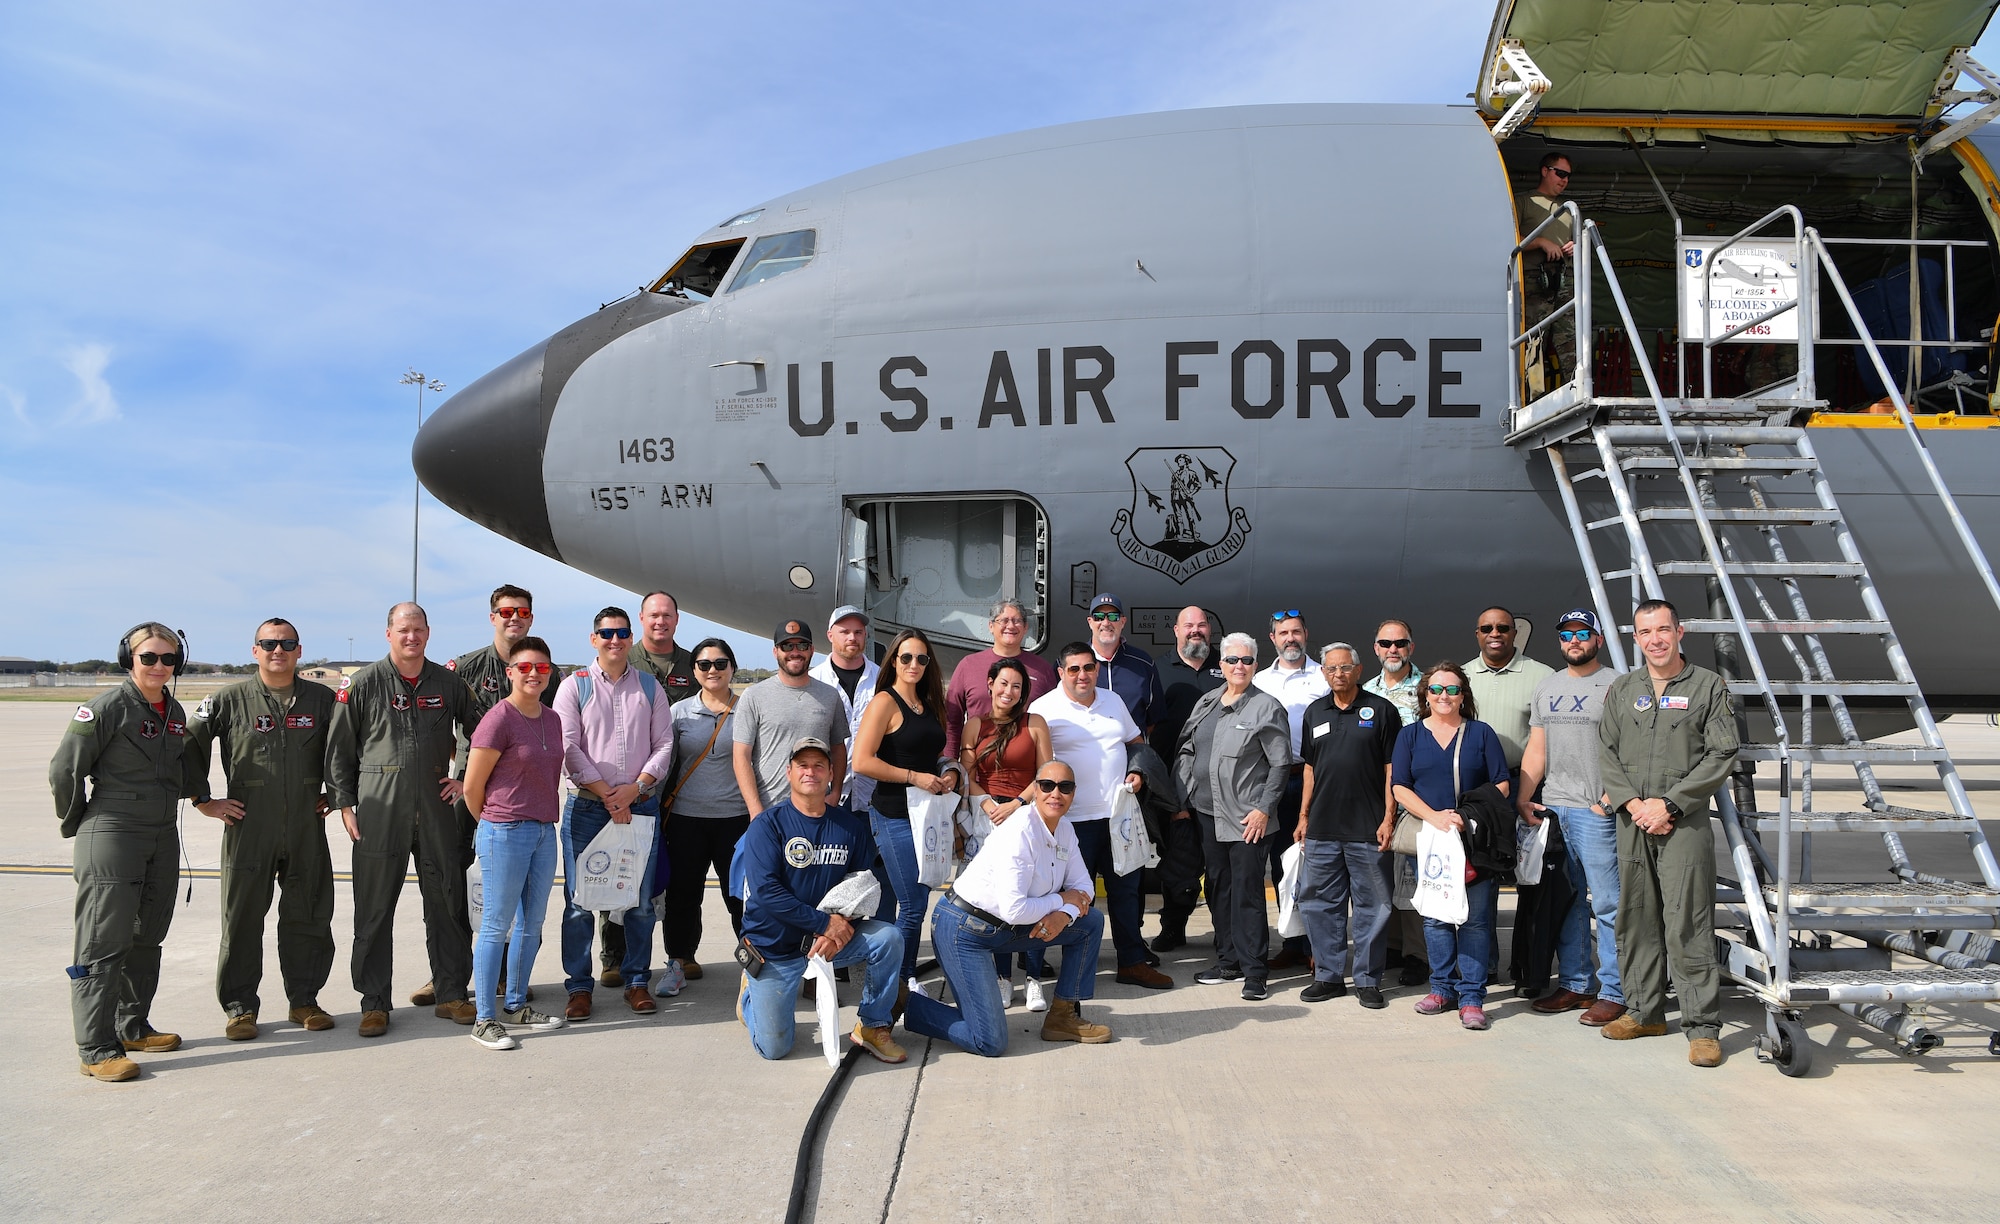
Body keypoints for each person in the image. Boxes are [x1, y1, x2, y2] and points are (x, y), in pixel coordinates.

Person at [51, 622, 203, 1081]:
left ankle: (131, 1025)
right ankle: (96, 1048)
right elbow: (64, 771)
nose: (160, 666)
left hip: (159, 832)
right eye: (149, 657)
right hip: (113, 828)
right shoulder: (105, 709)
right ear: (129, 658)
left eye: (169, 659)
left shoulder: (173, 710)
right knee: (104, 939)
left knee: (147, 933)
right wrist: (81, 821)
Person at [327, 603, 480, 1038]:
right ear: (388, 633)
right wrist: (344, 803)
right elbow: (339, 749)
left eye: (418, 630)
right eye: (403, 630)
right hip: (379, 806)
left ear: (428, 633)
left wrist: (464, 779)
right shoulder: (362, 684)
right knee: (374, 909)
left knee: (448, 903)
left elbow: (480, 731)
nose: (411, 637)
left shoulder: (449, 683)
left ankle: (452, 993)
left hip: (435, 806)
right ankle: (374, 1003)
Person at [1598, 599, 1737, 1068]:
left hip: (1683, 822)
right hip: (1633, 820)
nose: (1655, 639)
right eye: (1645, 632)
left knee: (1687, 921)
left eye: (1663, 629)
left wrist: (1671, 803)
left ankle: (1702, 1027)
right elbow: (1607, 752)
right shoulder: (1623, 689)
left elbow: (1722, 753)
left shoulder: (1707, 687)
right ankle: (1645, 1011)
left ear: (1680, 632)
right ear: (1635, 638)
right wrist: (1634, 805)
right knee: (1636, 917)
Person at [186, 618, 339, 1041]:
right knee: (242, 920)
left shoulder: (321, 700)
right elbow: (188, 744)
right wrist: (204, 800)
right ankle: (240, 1009)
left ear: (299, 650)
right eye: (269, 643)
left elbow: (348, 745)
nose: (278, 650)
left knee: (308, 915)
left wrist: (336, 791)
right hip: (249, 824)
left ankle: (304, 1001)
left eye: (287, 643)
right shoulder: (229, 699)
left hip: (308, 824)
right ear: (254, 650)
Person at [904, 761, 1112, 1054]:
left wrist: (1063, 915)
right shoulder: (1020, 831)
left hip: (1008, 927)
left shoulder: (1064, 828)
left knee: (1089, 923)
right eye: (1047, 786)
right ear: (1035, 791)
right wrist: (1060, 902)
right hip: (965, 930)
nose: (1056, 794)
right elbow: (1015, 909)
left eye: (1065, 787)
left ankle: (1062, 1018)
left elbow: (1084, 889)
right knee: (989, 1041)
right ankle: (904, 1003)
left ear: (1073, 793)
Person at [735, 738, 907, 1063]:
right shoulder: (767, 826)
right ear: (789, 772)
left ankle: (873, 1025)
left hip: (827, 941)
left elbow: (862, 888)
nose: (810, 772)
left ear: (831, 773)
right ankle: (750, 995)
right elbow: (767, 893)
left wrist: (840, 927)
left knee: (888, 938)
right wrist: (825, 923)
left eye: (818, 765)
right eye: (802, 765)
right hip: (775, 947)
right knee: (775, 1049)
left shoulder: (849, 827)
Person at [428, 583, 560, 1008]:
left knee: (515, 905)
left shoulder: (543, 674)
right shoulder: (463, 668)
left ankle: (507, 983)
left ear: (531, 618)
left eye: (521, 611)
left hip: (525, 800)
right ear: (493, 617)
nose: (513, 618)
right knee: (460, 891)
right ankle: (450, 980)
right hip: (477, 795)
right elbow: (439, 725)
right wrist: (455, 776)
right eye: (505, 611)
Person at [1031, 642, 1173, 989]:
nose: (1083, 675)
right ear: (1061, 672)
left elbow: (1136, 740)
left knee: (1126, 892)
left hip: (1117, 817)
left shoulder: (1113, 700)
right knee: (1074, 897)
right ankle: (1074, 966)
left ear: (1096, 670)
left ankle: (1132, 962)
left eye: (1088, 668)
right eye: (1074, 669)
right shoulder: (1043, 709)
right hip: (1070, 822)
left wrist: (1138, 772)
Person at [554, 607, 675, 1019]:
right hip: (588, 809)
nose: (615, 640)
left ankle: (637, 981)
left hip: (640, 806)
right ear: (594, 639)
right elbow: (568, 747)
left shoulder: (649, 686)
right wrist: (609, 794)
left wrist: (635, 788)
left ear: (629, 637)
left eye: (622, 632)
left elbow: (664, 745)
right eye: (606, 633)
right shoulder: (575, 686)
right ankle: (579, 987)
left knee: (640, 903)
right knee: (579, 903)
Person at [1516, 609, 1626, 1026]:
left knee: (1610, 905)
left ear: (1597, 638)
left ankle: (1616, 990)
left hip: (1596, 811)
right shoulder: (1547, 687)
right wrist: (1525, 799)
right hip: (1556, 809)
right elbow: (1537, 748)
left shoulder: (1617, 685)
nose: (1574, 641)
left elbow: (1630, 748)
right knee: (1569, 901)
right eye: (1566, 635)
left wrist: (1608, 800)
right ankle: (1578, 984)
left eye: (1582, 633)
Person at [461, 636, 569, 1050]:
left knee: (531, 924)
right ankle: (485, 1018)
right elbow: (473, 788)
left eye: (541, 668)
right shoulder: (497, 719)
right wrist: (494, 826)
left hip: (544, 832)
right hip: (504, 830)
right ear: (510, 672)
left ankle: (516, 1004)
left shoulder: (552, 719)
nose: (533, 674)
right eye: (524, 667)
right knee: (495, 925)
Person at [1392, 662, 1510, 1030]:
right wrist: (1436, 817)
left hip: (1475, 838)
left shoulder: (1481, 733)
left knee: (1475, 921)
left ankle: (1472, 998)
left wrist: (1465, 815)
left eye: (1453, 689)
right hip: (1432, 841)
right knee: (1436, 918)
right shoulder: (1409, 735)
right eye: (1437, 690)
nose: (1444, 696)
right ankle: (1441, 989)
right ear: (1425, 695)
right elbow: (1400, 786)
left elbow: (1501, 783)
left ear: (1464, 696)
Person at [1178, 634, 1291, 1000]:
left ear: (1256, 665)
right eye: (1231, 660)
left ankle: (1255, 972)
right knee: (1218, 888)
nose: (1238, 666)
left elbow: (1279, 765)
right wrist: (1188, 793)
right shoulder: (1208, 702)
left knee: (1247, 894)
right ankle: (1227, 960)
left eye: (1246, 660)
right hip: (1208, 814)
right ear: (1221, 665)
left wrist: (1263, 810)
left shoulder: (1266, 708)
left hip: (1247, 819)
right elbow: (1187, 748)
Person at [1294, 643, 1402, 1009]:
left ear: (1358, 671)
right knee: (1319, 904)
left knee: (1374, 906)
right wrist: (1303, 816)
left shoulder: (1382, 711)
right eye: (1331, 668)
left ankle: (1368, 980)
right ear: (1323, 673)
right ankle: (1327, 976)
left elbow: (1392, 769)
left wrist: (1389, 817)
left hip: (1368, 828)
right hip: (1322, 827)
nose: (1337, 674)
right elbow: (1309, 768)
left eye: (1345, 668)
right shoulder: (1315, 712)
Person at [602, 589, 698, 982]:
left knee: (681, 878)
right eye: (653, 615)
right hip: (630, 789)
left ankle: (682, 953)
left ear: (677, 620)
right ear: (641, 619)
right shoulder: (625, 657)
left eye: (667, 616)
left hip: (679, 789)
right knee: (619, 871)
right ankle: (613, 957)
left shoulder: (694, 664)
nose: (660, 622)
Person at [851, 628, 952, 997]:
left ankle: (885, 969)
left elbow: (931, 754)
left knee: (900, 899)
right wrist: (914, 778)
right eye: (906, 657)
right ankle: (904, 980)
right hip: (893, 815)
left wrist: (947, 771)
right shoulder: (884, 702)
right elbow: (861, 761)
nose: (913, 664)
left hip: (926, 815)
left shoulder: (927, 704)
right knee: (914, 903)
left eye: (921, 658)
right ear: (893, 660)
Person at [958, 656, 1053, 1010]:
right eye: (1003, 684)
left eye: (1016, 686)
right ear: (990, 685)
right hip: (986, 816)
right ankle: (1003, 978)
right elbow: (967, 774)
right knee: (997, 901)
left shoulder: (1036, 723)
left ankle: (1033, 979)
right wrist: (985, 804)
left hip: (1025, 814)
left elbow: (1047, 774)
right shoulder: (974, 727)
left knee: (1034, 893)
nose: (1008, 691)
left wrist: (1016, 804)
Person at [660, 638, 751, 982]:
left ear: (732, 667)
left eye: (720, 663)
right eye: (704, 664)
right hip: (687, 820)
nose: (713, 670)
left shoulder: (749, 709)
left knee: (741, 896)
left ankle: (754, 960)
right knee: (683, 894)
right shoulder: (679, 713)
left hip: (736, 820)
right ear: (694, 670)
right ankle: (680, 960)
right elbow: (665, 767)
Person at [1253, 609, 1329, 967]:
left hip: (1315, 777)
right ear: (1273, 639)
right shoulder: (1260, 680)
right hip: (1274, 780)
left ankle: (1318, 945)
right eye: (1283, 633)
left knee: (1318, 862)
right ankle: (1293, 942)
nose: (1290, 639)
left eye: (1296, 632)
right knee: (1282, 862)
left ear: (1306, 634)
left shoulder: (1323, 675)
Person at [1149, 605, 1222, 953]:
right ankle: (1173, 928)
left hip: (1220, 786)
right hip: (1171, 785)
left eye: (1202, 625)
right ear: (1176, 631)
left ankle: (1225, 931)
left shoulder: (1228, 666)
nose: (1196, 631)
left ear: (1210, 631)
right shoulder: (1157, 670)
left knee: (1221, 866)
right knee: (1178, 864)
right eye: (1188, 625)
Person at [732, 619, 849, 816]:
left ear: (811, 650)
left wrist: (836, 792)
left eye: (802, 645)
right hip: (770, 809)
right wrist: (755, 809)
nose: (795, 652)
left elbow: (838, 749)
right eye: (787, 646)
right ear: (775, 651)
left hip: (818, 808)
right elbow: (741, 756)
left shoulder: (830, 696)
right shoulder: (753, 696)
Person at [1364, 617, 1427, 984]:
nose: (1393, 650)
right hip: (1373, 797)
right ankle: (1389, 946)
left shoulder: (1427, 689)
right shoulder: (1366, 691)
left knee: (1414, 879)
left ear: (1411, 647)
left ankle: (1417, 954)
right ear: (1376, 648)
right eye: (1386, 643)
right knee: (1379, 877)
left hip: (1414, 798)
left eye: (1400, 643)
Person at [942, 598, 1058, 758]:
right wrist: (950, 764)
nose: (1010, 626)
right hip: (976, 768)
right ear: (991, 626)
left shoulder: (1042, 669)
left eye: (1017, 621)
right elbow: (952, 721)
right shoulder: (968, 665)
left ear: (1025, 628)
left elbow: (1054, 719)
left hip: (1026, 772)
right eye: (1004, 620)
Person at [809, 605, 881, 811]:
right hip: (826, 796)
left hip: (873, 795)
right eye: (844, 632)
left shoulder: (883, 679)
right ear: (830, 635)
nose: (852, 638)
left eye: (858, 632)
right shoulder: (814, 682)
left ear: (865, 635)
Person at [1518, 151, 1576, 395]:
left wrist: (1576, 246)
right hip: (1535, 279)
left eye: (1568, 176)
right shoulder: (1524, 201)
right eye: (1560, 173)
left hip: (1564, 279)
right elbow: (1509, 241)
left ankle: (1575, 394)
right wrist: (1540, 242)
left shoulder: (1570, 210)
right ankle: (1533, 399)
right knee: (1534, 341)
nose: (1564, 180)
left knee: (1569, 339)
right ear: (1545, 170)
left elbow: (1579, 242)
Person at [1085, 593, 1163, 730]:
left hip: (1131, 749)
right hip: (1087, 749)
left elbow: (1154, 720)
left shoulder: (1144, 663)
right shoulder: (1071, 664)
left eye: (1113, 616)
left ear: (1123, 622)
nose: (1106, 623)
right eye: (1099, 617)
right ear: (1090, 622)